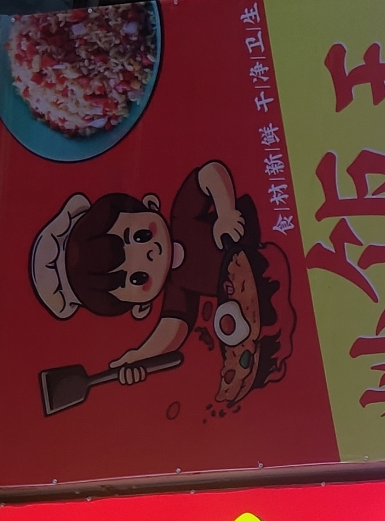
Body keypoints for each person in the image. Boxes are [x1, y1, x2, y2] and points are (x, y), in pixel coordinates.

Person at [28, 163, 273, 392]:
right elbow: (172, 330)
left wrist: (226, 212)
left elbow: (210, 173)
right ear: (141, 307)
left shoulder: (182, 214)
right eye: (138, 278)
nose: (149, 253)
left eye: (141, 236)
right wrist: (139, 357)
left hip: (265, 224)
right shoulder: (177, 291)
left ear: (150, 204)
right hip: (263, 283)